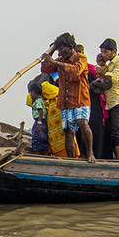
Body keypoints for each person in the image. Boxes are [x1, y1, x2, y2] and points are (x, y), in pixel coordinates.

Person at [42, 33, 95, 162]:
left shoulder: (81, 58)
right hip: (65, 101)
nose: (60, 52)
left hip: (80, 99)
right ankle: (72, 160)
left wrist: (55, 61)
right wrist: (52, 52)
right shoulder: (60, 60)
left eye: (62, 49)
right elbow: (45, 68)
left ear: (71, 47)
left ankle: (90, 153)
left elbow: (75, 70)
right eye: (59, 49)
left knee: (83, 123)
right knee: (68, 131)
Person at [94, 38, 119, 160]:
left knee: (116, 132)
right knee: (110, 132)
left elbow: (114, 77)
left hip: (118, 101)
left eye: (105, 52)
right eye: (102, 52)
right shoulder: (108, 65)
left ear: (113, 51)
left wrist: (102, 73)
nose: (103, 55)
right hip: (108, 102)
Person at [29, 81, 50, 154]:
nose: (30, 95)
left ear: (33, 92)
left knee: (36, 141)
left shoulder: (37, 101)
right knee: (44, 141)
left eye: (30, 93)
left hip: (39, 121)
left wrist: (39, 123)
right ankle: (45, 156)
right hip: (43, 122)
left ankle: (36, 156)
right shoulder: (40, 100)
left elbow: (40, 111)